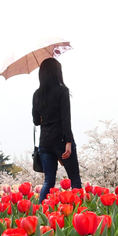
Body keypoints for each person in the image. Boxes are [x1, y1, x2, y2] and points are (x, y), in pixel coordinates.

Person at [32, 58, 81, 202]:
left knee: (48, 181)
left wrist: (44, 117)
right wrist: (68, 142)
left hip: (45, 142)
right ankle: (79, 214)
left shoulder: (37, 94)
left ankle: (41, 213)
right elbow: (66, 118)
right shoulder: (62, 91)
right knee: (75, 180)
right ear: (57, 72)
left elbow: (36, 121)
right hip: (61, 140)